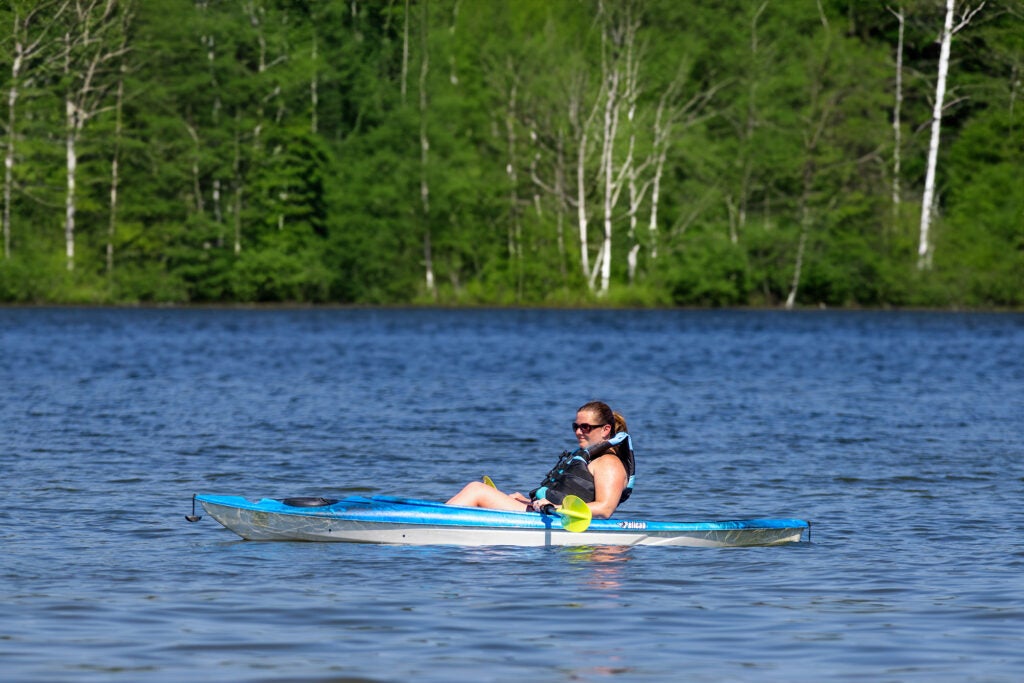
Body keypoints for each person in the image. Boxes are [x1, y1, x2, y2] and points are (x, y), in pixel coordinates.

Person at [445, 401, 635, 520]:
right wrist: (526, 501)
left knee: (477, 490)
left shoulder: (609, 464)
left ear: (606, 430)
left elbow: (605, 509)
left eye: (585, 427)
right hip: (544, 514)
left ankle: (437, 521)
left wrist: (556, 508)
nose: (578, 432)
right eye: (575, 426)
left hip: (562, 520)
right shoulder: (590, 459)